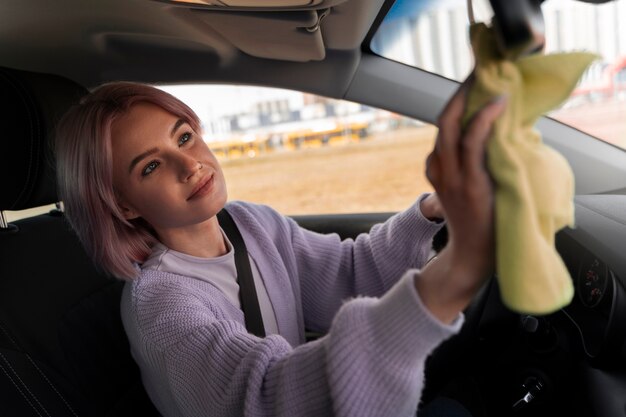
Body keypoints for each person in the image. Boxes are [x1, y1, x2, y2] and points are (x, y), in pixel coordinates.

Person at [54, 79, 505, 417]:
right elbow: (265, 396)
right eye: (151, 166)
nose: (189, 165)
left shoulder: (254, 223)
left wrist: (434, 206)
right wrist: (453, 276)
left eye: (184, 137)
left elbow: (350, 274)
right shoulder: (161, 305)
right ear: (124, 206)